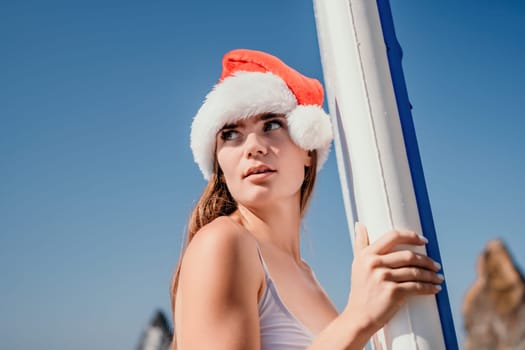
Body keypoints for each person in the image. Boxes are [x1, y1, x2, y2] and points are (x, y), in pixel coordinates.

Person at [170, 49, 444, 349]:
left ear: (308, 150)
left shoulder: (309, 278)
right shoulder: (223, 242)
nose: (253, 147)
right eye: (231, 134)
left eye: (271, 125)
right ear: (219, 161)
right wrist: (358, 318)